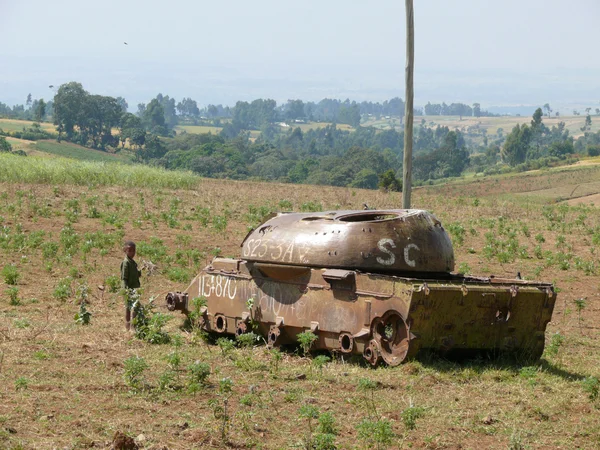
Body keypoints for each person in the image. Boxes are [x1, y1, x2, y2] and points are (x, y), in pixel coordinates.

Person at [121, 240, 141, 330]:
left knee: (136, 306)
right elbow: (124, 278)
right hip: (128, 289)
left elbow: (136, 274)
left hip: (134, 288)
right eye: (130, 250)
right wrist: (125, 290)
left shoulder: (133, 263)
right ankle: (128, 326)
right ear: (125, 250)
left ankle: (133, 325)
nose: (132, 253)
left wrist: (140, 271)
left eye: (133, 250)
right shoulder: (126, 263)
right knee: (128, 308)